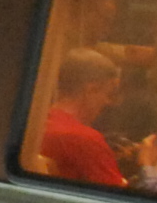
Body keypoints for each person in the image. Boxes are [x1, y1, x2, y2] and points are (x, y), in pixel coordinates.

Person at [32, 47, 137, 190]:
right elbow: (118, 199)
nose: (107, 102)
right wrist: (147, 166)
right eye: (108, 94)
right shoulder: (85, 140)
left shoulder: (35, 125)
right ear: (91, 89)